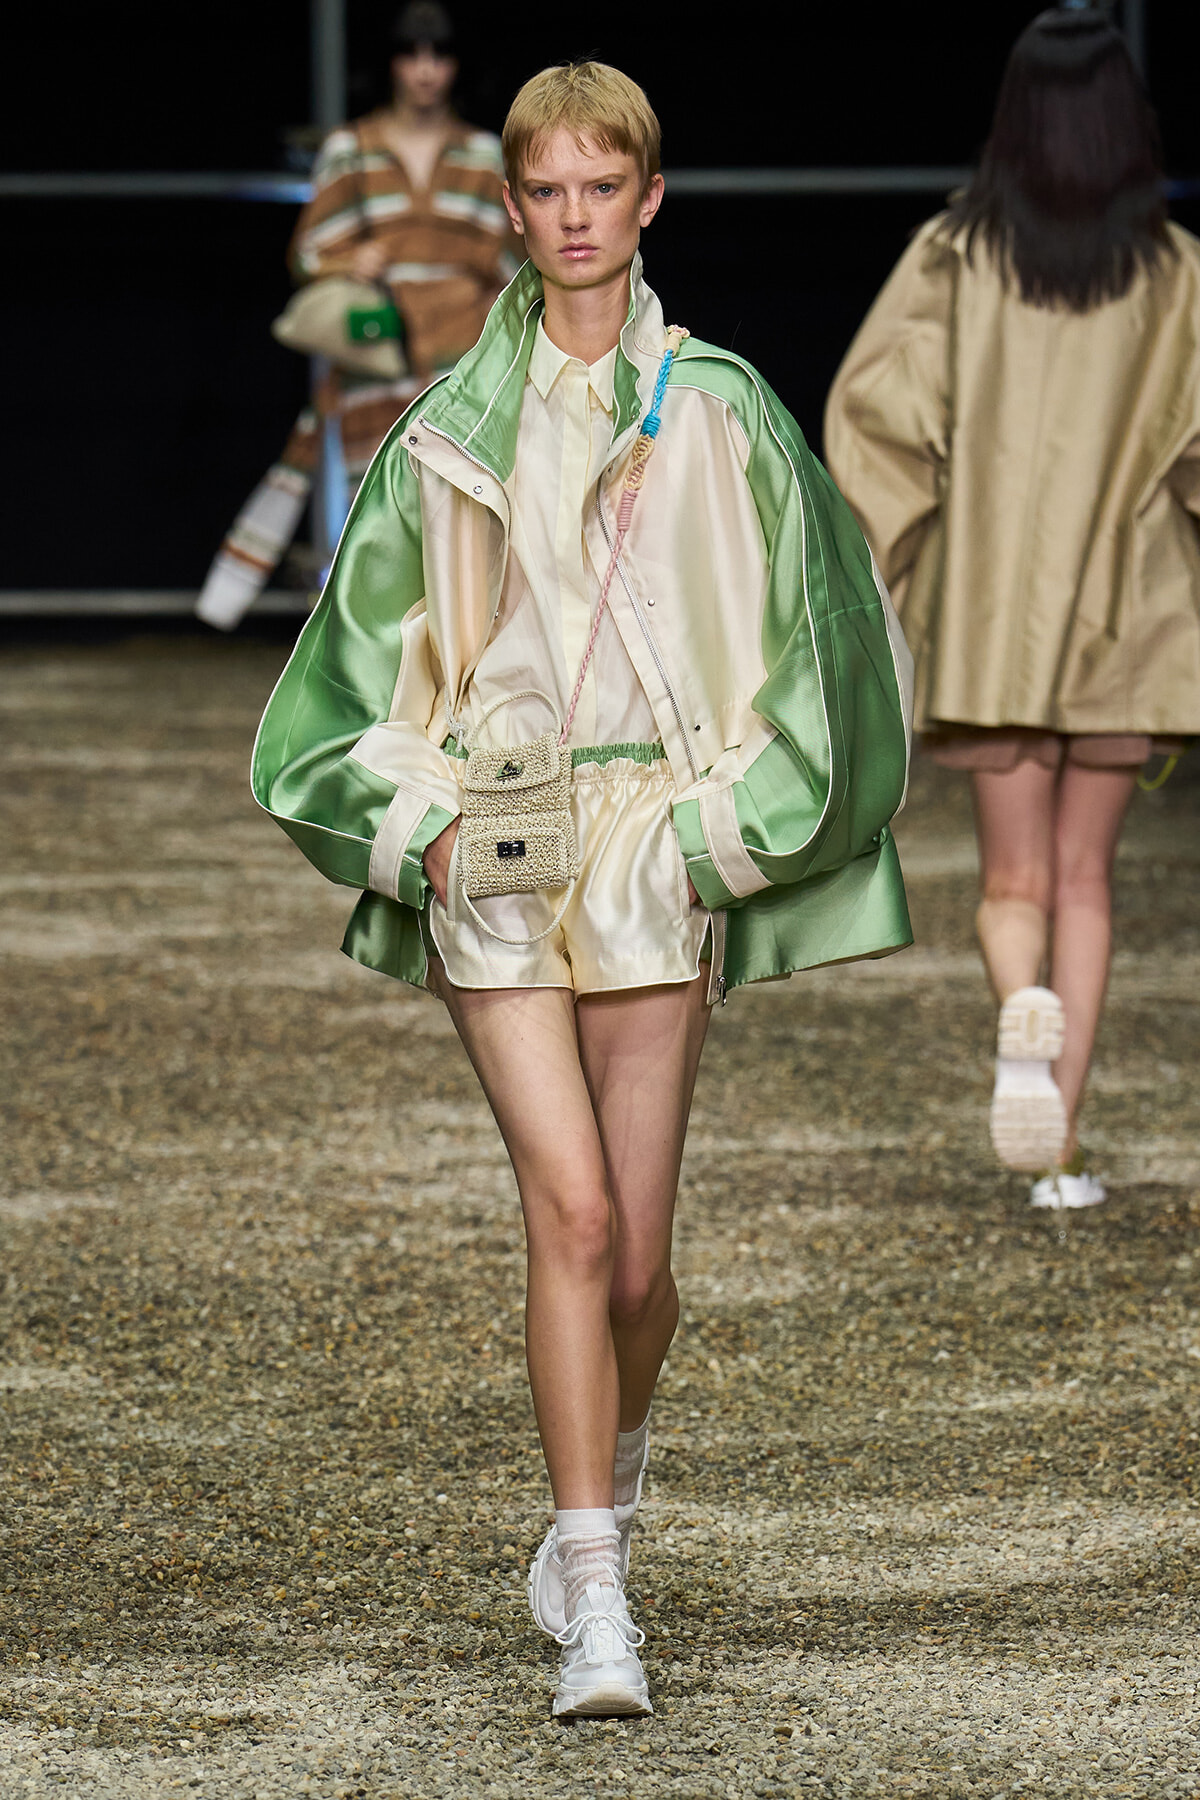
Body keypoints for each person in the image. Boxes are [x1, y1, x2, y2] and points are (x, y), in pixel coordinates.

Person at [253, 60, 912, 1717]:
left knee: (637, 1268)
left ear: (647, 201)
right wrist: (435, 818)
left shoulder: (724, 412)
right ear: (514, 207)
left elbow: (822, 653)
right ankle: (598, 1590)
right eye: (541, 190)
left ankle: (603, 1476)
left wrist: (704, 835)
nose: (568, 217)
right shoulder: (446, 436)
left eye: (596, 188)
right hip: (498, 848)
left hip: (645, 853)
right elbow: (352, 692)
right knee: (574, 1213)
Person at [825, 4, 1200, 1211]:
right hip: (1125, 622)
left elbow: (875, 417)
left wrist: (885, 562)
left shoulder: (954, 256)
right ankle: (1067, 1147)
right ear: (1124, 121)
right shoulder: (1178, 274)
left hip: (991, 618)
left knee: (1012, 884)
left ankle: (1017, 1023)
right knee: (1089, 881)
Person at [196, 2, 520, 630]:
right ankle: (378, 679)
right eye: (411, 55)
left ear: (456, 65)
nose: (425, 71)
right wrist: (352, 262)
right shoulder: (351, 150)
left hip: (464, 362)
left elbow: (512, 262)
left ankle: (458, 673)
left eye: (439, 55)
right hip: (379, 359)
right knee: (377, 522)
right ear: (392, 63)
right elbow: (308, 252)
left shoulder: (483, 155)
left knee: (463, 519)